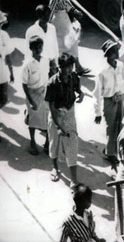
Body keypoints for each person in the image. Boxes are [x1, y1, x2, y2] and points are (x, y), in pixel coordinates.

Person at [46, 53, 83, 184]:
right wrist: (57, 126)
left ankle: (74, 179)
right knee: (54, 144)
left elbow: (77, 88)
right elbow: (51, 106)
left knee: (72, 143)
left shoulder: (74, 77)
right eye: (65, 67)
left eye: (70, 66)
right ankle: (55, 168)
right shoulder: (52, 83)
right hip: (56, 114)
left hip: (70, 113)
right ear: (59, 67)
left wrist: (81, 93)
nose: (68, 70)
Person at [93, 39, 124, 165]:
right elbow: (96, 93)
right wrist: (97, 112)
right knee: (111, 127)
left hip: (120, 99)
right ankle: (109, 153)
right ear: (108, 55)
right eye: (113, 51)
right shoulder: (102, 71)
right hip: (109, 101)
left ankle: (117, 149)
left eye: (117, 50)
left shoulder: (120, 66)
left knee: (121, 124)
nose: (116, 53)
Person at [22, 35, 51, 156]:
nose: (39, 50)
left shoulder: (46, 60)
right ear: (31, 48)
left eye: (40, 47)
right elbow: (24, 84)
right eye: (36, 48)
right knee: (33, 120)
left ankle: (47, 142)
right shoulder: (27, 65)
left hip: (44, 91)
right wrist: (31, 101)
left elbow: (48, 76)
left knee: (48, 117)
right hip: (32, 93)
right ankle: (32, 142)